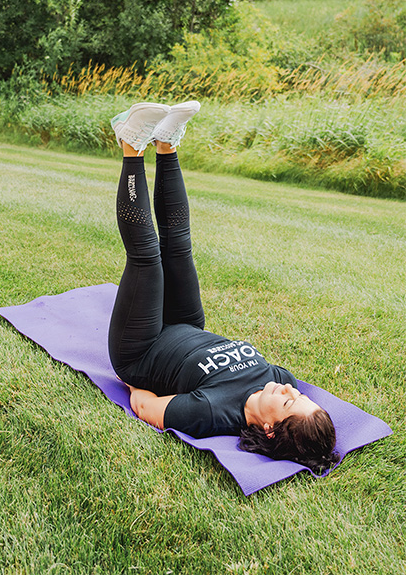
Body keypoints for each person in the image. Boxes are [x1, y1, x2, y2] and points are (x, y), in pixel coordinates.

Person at [108, 101, 339, 474]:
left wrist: (131, 382)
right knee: (179, 244)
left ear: (268, 428)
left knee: (148, 257)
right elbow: (287, 389)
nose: (291, 391)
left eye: (288, 403)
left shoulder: (213, 413)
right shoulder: (282, 380)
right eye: (300, 397)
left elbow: (147, 408)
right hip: (187, 325)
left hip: (141, 348)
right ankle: (166, 142)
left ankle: (131, 145)